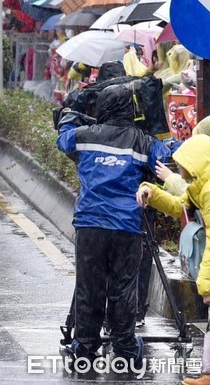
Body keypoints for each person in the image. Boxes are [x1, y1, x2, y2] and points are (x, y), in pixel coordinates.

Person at [57, 84, 174, 369]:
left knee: (88, 287)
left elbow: (63, 140)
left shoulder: (84, 136)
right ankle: (124, 346)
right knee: (123, 289)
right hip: (126, 226)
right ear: (130, 110)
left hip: (90, 224)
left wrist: (71, 113)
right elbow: (166, 157)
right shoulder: (141, 142)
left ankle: (85, 347)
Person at [135, 135, 210, 385]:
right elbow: (179, 206)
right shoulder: (200, 187)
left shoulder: (209, 191)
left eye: (184, 165)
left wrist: (207, 286)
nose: (181, 171)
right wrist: (152, 192)